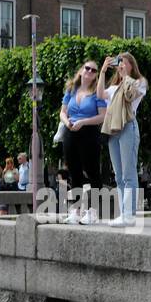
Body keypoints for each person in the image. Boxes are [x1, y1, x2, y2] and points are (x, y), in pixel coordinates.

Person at [100, 51, 149, 226]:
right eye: (119, 62)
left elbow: (131, 96)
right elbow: (99, 95)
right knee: (119, 174)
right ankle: (124, 213)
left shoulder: (139, 82)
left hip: (128, 125)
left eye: (124, 62)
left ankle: (130, 214)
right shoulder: (115, 87)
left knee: (129, 172)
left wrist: (125, 76)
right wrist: (103, 71)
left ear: (131, 65)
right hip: (114, 129)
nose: (121, 65)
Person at [60, 60, 107, 223]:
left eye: (94, 70)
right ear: (81, 70)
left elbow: (103, 115)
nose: (90, 71)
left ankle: (93, 212)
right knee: (74, 172)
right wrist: (68, 123)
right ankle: (76, 210)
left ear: (95, 76)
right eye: (87, 68)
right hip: (71, 131)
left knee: (93, 171)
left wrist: (83, 122)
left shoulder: (97, 92)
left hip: (89, 133)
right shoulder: (71, 89)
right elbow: (62, 112)